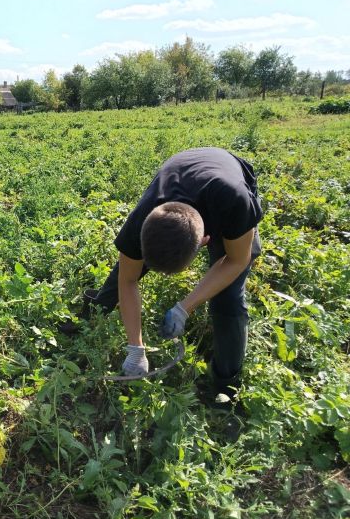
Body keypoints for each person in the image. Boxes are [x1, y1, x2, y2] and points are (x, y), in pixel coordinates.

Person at [67, 147, 263, 400]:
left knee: (229, 296)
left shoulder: (235, 204)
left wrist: (186, 307)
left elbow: (236, 260)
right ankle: (92, 312)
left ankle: (226, 386)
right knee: (125, 270)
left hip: (229, 177)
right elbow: (128, 279)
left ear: (204, 241)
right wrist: (135, 348)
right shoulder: (139, 222)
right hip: (185, 174)